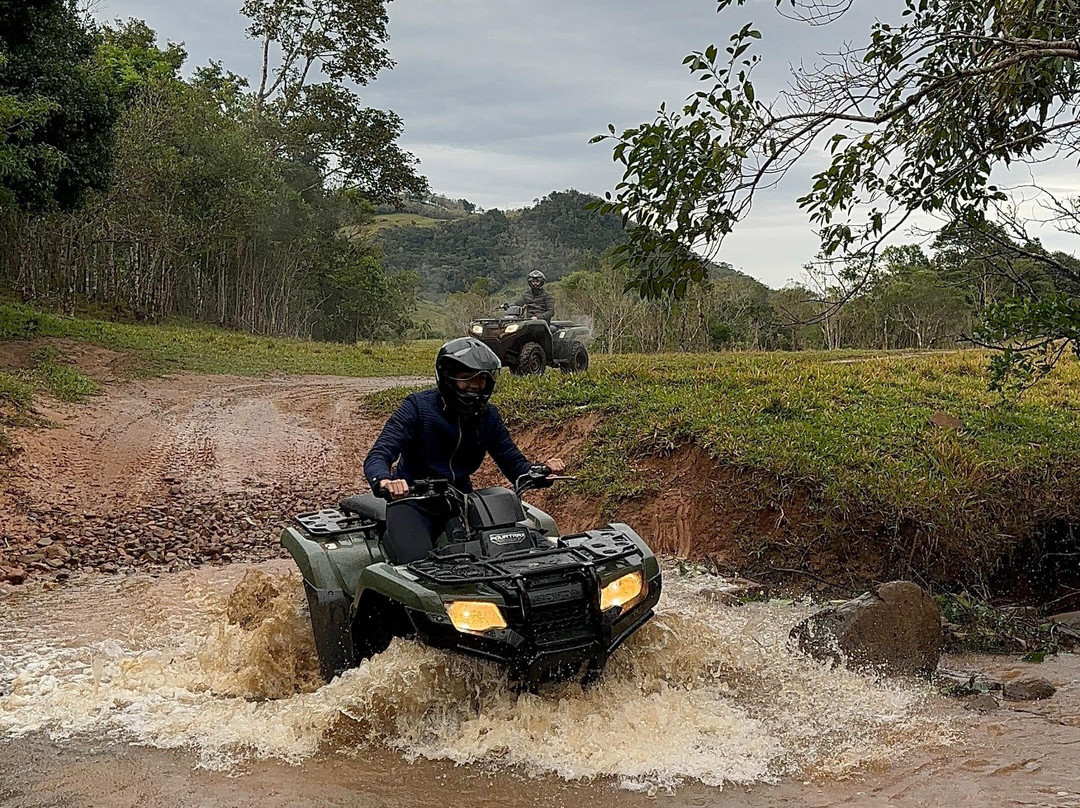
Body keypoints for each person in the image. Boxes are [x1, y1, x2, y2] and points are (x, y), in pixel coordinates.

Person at [363, 337, 565, 563]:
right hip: (412, 503)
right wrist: (384, 481)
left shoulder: (488, 416)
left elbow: (515, 465)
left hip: (463, 503)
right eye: (467, 378)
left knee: (507, 557)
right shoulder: (417, 408)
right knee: (419, 569)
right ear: (448, 376)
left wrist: (542, 472)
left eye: (482, 379)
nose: (476, 385)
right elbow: (379, 454)